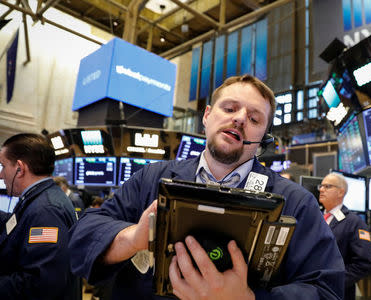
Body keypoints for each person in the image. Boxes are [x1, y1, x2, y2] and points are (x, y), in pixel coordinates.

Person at [69, 75, 345, 299]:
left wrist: (248, 299)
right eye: (229, 108)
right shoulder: (152, 179)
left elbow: (326, 289)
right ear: (207, 116)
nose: (239, 119)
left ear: (263, 139)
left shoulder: (295, 202)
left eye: (254, 119)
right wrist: (132, 238)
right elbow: (83, 236)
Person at [0, 133, 81, 299]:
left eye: (3, 166)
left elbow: (40, 283)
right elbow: (18, 225)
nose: (1, 175)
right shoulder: (38, 198)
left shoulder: (47, 210)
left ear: (20, 168)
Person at [318, 173, 371, 300]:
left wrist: (334, 282)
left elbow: (363, 263)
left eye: (327, 186)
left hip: (337, 293)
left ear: (340, 192)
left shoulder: (355, 222)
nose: (321, 189)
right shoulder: (316, 217)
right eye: (321, 186)